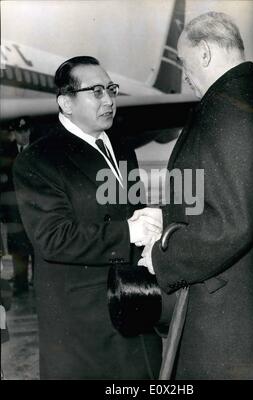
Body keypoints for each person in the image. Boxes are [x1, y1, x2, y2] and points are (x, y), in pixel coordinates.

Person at [134, 12, 253, 379]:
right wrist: (171, 214)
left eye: (185, 63)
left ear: (204, 52)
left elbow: (231, 222)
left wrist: (162, 255)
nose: (186, 76)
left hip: (222, 323)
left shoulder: (226, 104)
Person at [13, 56, 162, 380]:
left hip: (132, 309)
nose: (109, 100)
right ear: (66, 102)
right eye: (96, 91)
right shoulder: (39, 161)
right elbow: (53, 239)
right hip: (82, 327)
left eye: (110, 89)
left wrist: (150, 231)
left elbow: (131, 210)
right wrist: (128, 232)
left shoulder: (121, 149)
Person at [0, 117, 34, 296]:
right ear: (14, 133)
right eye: (20, 132)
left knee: (38, 249)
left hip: (37, 212)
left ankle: (38, 284)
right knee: (18, 250)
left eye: (26, 131)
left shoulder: (39, 152)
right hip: (15, 213)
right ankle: (20, 286)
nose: (24, 135)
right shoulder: (6, 154)